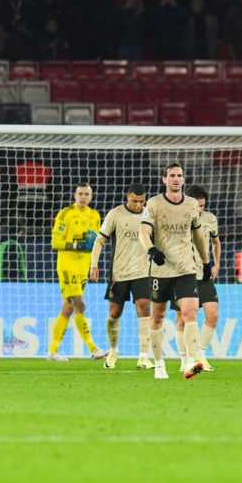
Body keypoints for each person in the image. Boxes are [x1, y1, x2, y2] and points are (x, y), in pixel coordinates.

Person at [139, 163, 210, 380]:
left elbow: (198, 235)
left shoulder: (191, 205)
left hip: (186, 269)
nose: (176, 179)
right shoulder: (154, 204)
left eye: (179, 175)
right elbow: (143, 231)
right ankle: (159, 364)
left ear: (183, 179)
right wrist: (151, 249)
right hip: (161, 270)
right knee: (158, 317)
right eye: (172, 176)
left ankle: (190, 360)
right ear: (164, 179)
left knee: (190, 314)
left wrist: (206, 261)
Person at [89, 183, 154, 370]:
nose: (138, 205)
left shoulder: (149, 215)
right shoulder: (115, 214)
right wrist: (94, 264)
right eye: (134, 201)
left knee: (144, 307)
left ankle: (143, 356)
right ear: (127, 198)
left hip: (143, 271)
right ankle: (113, 351)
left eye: (141, 201)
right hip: (119, 272)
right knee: (114, 313)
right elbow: (100, 240)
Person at [47, 182, 108, 362]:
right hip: (67, 265)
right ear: (75, 195)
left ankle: (52, 351)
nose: (83, 197)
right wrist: (76, 244)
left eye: (86, 194)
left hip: (83, 267)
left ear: (91, 197)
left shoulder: (95, 216)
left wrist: (93, 264)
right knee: (80, 304)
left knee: (68, 308)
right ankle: (93, 348)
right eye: (80, 194)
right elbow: (55, 243)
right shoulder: (66, 213)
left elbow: (96, 243)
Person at [180, 184, 220, 372]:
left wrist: (217, 263)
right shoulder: (179, 218)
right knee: (182, 318)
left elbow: (216, 242)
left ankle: (200, 354)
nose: (199, 209)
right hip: (184, 273)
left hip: (203, 273)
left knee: (212, 314)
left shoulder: (210, 219)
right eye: (196, 206)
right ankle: (185, 359)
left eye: (202, 206)